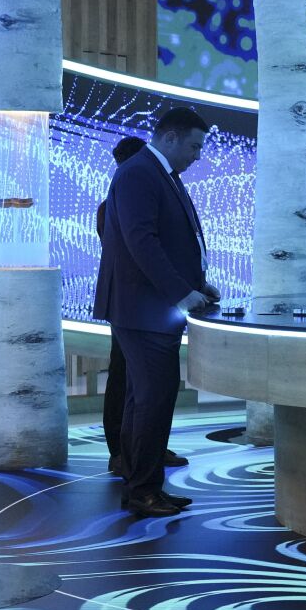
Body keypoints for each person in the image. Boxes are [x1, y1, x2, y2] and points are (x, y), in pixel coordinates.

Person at [95, 106, 220, 519]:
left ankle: (140, 482)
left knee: (144, 400)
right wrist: (180, 294)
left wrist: (195, 287)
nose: (198, 155)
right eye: (194, 145)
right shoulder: (138, 173)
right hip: (142, 310)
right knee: (152, 400)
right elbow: (141, 241)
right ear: (170, 138)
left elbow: (167, 241)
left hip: (150, 310)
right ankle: (144, 490)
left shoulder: (159, 174)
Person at [95, 135, 187, 479]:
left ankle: (143, 449)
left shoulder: (123, 200)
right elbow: (136, 253)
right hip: (131, 308)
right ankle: (121, 452)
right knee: (125, 379)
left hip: (146, 309)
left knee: (140, 387)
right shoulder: (116, 204)